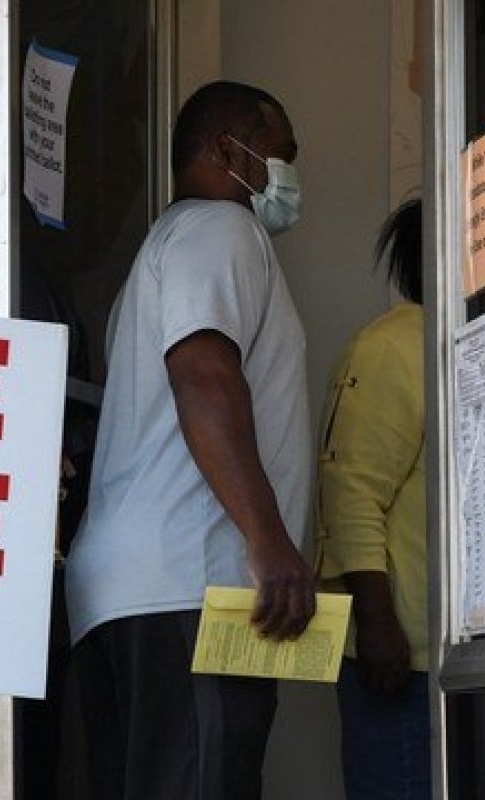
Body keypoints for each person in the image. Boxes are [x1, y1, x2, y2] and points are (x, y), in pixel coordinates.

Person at [64, 80, 316, 799]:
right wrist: (267, 538)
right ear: (228, 149)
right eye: (282, 155)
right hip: (191, 587)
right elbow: (204, 376)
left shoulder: (167, 249)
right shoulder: (219, 228)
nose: (291, 176)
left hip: (146, 595)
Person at [317, 198, 428, 799]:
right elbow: (352, 492)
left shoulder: (462, 344)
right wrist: (378, 624)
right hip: (403, 660)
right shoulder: (393, 347)